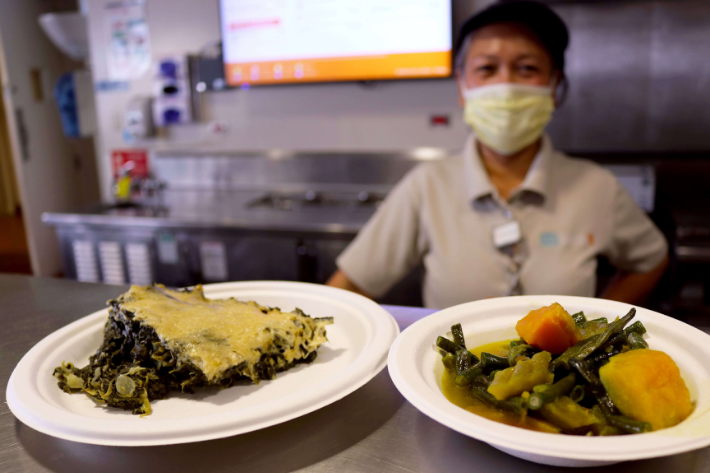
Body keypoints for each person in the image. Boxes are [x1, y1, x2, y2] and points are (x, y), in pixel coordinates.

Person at [328, 1, 668, 309]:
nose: (506, 85)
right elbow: (349, 286)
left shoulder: (597, 187)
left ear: (554, 86)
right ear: (462, 86)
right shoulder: (428, 185)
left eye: (527, 69)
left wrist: (602, 322)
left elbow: (651, 258)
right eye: (487, 69)